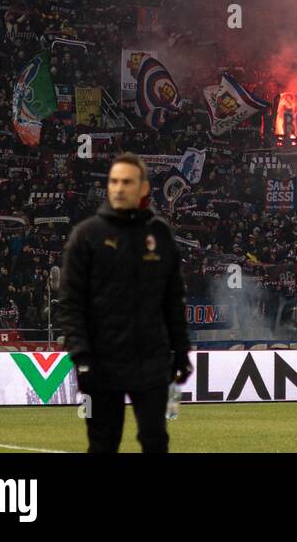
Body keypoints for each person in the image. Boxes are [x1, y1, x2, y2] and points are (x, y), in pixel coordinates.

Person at [58, 153, 191, 454]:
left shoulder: (159, 234)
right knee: (103, 444)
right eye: (113, 181)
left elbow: (173, 300)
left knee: (155, 441)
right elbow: (70, 302)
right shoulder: (87, 235)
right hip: (103, 362)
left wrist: (181, 352)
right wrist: (81, 355)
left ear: (143, 188)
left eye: (127, 182)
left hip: (152, 361)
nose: (118, 188)